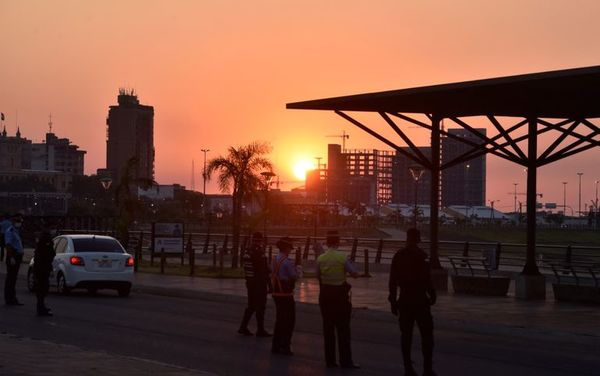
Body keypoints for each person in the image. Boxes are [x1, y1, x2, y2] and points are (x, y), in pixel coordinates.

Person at [388, 228, 437, 376]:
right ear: (418, 239)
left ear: (407, 238)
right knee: (427, 336)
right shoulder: (423, 256)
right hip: (421, 300)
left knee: (406, 335)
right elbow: (427, 279)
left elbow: (393, 281)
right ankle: (427, 369)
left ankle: (408, 368)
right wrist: (432, 294)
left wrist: (392, 300)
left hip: (405, 299)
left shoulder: (398, 256)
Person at [316, 230, 360, 369]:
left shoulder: (321, 258)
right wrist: (352, 265)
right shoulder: (342, 257)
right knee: (343, 330)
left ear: (327, 242)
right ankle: (345, 361)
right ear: (338, 242)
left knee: (328, 330)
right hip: (340, 297)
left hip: (325, 296)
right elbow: (355, 274)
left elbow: (318, 276)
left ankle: (330, 361)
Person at [238, 232, 272, 337]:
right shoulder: (259, 253)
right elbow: (263, 271)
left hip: (250, 282)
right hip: (258, 283)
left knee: (251, 305)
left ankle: (243, 327)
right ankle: (260, 329)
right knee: (261, 306)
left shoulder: (247, 251)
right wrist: (269, 284)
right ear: (261, 240)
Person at [270, 237, 299, 355]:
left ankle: (275, 345)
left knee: (279, 320)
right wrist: (299, 270)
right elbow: (294, 276)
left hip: (276, 292)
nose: (290, 250)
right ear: (287, 248)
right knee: (289, 321)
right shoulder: (287, 262)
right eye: (290, 248)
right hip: (286, 294)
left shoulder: (274, 259)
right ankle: (285, 345)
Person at [33, 229, 55, 316]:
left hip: (41, 267)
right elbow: (48, 255)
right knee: (42, 288)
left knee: (42, 288)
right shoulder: (46, 241)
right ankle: (40, 308)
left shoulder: (42, 241)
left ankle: (41, 307)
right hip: (42, 268)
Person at [4, 213, 25, 306]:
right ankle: (9, 298)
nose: (19, 223)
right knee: (11, 278)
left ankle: (12, 298)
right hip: (13, 256)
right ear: (13, 221)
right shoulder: (10, 231)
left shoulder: (16, 231)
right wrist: (11, 257)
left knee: (13, 278)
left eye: (20, 221)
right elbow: (8, 245)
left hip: (17, 256)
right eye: (17, 221)